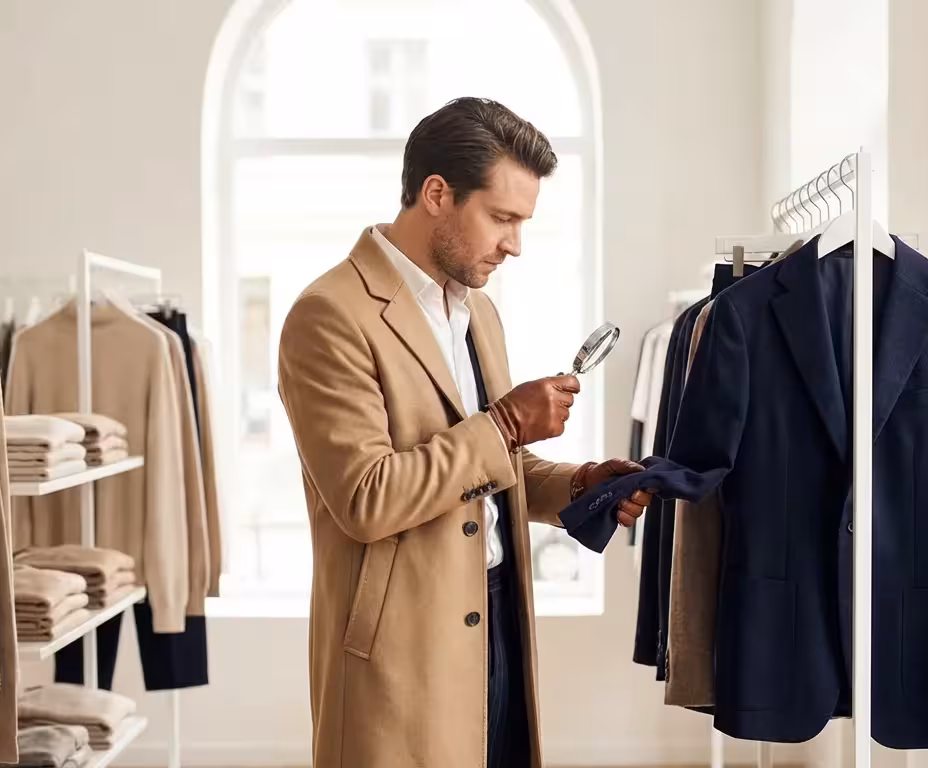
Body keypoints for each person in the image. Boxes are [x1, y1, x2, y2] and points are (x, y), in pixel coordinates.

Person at [276, 96, 652, 768]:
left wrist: (578, 485)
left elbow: (488, 467)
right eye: (502, 218)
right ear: (437, 194)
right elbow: (366, 497)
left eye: (522, 222)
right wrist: (506, 419)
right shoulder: (328, 315)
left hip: (500, 612)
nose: (514, 243)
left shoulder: (478, 310)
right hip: (400, 641)